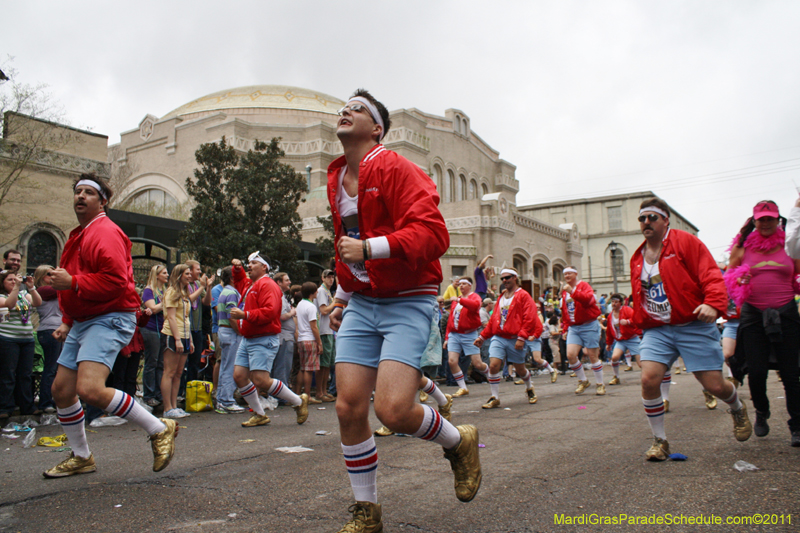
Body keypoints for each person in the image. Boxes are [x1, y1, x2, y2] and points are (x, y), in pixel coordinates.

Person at [326, 89, 480, 531]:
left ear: (376, 128)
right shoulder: (338, 177)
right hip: (362, 304)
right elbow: (345, 249)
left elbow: (434, 234)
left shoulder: (395, 167)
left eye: (357, 109)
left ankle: (458, 441)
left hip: (408, 300)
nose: (345, 111)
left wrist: (370, 249)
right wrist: (342, 296)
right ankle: (367, 511)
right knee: (348, 408)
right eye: (344, 107)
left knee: (393, 412)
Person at [44, 174, 176, 477]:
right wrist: (66, 320)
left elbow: (117, 282)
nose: (81, 196)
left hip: (110, 316)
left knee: (89, 389)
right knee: (62, 391)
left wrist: (74, 282)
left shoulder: (105, 231)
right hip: (85, 320)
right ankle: (81, 456)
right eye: (77, 191)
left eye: (89, 192)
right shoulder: (79, 234)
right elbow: (75, 285)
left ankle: (159, 428)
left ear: (103, 201)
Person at [631, 197, 751, 461]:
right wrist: (638, 320)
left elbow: (710, 274)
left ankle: (737, 407)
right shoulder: (637, 257)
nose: (646, 222)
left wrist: (712, 303)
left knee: (715, 385)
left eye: (652, 217)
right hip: (658, 329)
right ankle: (660, 441)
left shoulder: (686, 242)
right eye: (642, 218)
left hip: (693, 325)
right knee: (648, 379)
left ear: (665, 220)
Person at [725, 199, 800, 446]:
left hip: (786, 313)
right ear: (754, 220)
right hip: (754, 314)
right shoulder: (743, 247)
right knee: (756, 371)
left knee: (791, 374)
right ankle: (761, 411)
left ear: (778, 220)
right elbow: (728, 278)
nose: (766, 222)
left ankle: (797, 425)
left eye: (770, 218)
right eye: (761, 218)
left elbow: (798, 273)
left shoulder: (790, 246)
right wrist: (740, 280)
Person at [229, 252, 309, 428]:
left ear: (264, 267)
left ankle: (297, 401)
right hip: (249, 338)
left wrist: (245, 314)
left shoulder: (268, 285)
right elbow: (241, 280)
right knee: (239, 376)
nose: (249, 266)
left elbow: (271, 312)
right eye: (248, 263)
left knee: (261, 380)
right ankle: (259, 414)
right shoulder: (253, 283)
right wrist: (237, 269)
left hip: (263, 338)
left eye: (253, 263)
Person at [474, 268, 537, 407]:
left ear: (515, 278)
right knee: (494, 365)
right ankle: (494, 397)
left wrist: (521, 337)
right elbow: (493, 321)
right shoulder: (502, 297)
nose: (504, 280)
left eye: (507, 277)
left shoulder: (523, 295)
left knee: (520, 369)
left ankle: (529, 387)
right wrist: (482, 337)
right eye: (502, 278)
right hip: (499, 337)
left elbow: (530, 317)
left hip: (515, 338)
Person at [0, 269, 42, 419]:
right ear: (2, 283)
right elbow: (9, 304)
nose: (13, 282)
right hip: (8, 339)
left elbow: (38, 302)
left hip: (27, 339)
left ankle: (27, 406)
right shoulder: (2, 296)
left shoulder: (24, 295)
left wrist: (30, 287)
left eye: (15, 279)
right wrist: (17, 287)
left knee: (25, 375)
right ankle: (5, 407)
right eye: (9, 280)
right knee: (8, 374)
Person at [560, 266, 605, 395]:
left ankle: (600, 384)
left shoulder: (584, 285)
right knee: (571, 355)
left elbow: (589, 301)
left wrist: (573, 292)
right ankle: (583, 380)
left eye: (569, 273)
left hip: (589, 325)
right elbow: (565, 311)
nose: (567, 276)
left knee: (592, 356)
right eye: (565, 274)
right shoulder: (564, 292)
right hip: (574, 327)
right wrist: (565, 328)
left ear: (576, 274)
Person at [445, 277, 489, 398]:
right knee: (452, 361)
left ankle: (491, 374)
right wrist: (447, 337)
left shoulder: (474, 296)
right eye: (460, 284)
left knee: (477, 364)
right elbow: (451, 319)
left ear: (470, 286)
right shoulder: (456, 301)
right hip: (455, 334)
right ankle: (463, 387)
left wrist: (460, 300)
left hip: (469, 334)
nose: (461, 286)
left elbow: (475, 306)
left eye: (464, 284)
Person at [160, 264, 194, 419]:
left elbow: (186, 318)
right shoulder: (172, 292)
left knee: (179, 373)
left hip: (185, 335)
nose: (189, 276)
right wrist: (177, 339)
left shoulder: (185, 292)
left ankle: (174, 405)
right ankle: (167, 407)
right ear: (179, 275)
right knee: (170, 372)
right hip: (173, 335)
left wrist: (190, 340)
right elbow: (172, 317)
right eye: (186, 273)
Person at [214, 266, 244, 414]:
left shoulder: (224, 291)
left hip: (223, 331)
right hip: (231, 332)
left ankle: (221, 399)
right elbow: (232, 315)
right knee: (230, 367)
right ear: (232, 278)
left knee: (225, 366)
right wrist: (240, 331)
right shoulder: (232, 293)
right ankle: (227, 400)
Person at [33, 265, 62, 414]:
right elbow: (63, 288)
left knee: (58, 368)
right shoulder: (42, 290)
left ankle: (56, 399)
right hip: (49, 330)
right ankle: (45, 402)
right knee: (51, 368)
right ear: (41, 276)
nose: (53, 277)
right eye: (49, 274)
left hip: (58, 329)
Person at [141, 265, 168, 408]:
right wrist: (165, 303)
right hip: (151, 329)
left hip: (162, 329)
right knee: (151, 362)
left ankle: (158, 393)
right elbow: (152, 308)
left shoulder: (164, 290)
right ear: (156, 275)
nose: (167, 275)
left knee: (160, 363)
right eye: (164, 273)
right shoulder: (148, 291)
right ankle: (148, 395)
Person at [605, 293, 642, 387]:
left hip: (632, 338)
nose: (614, 304)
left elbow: (636, 319)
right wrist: (609, 343)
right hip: (620, 340)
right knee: (614, 357)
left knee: (641, 363)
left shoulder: (627, 310)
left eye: (616, 302)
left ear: (620, 303)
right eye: (612, 302)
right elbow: (609, 330)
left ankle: (649, 376)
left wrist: (628, 322)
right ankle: (616, 377)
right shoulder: (610, 316)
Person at [296, 281, 323, 403]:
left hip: (301, 338)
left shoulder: (300, 304)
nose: (317, 292)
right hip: (310, 338)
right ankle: (307, 396)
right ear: (312, 292)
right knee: (309, 369)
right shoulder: (311, 306)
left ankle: (297, 394)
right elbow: (314, 327)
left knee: (302, 368)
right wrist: (319, 342)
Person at [272, 271, 296, 401]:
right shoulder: (279, 297)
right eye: (286, 280)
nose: (289, 282)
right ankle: (281, 396)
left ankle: (280, 395)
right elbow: (280, 316)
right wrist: (292, 312)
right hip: (284, 337)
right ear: (279, 282)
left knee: (285, 367)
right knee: (282, 367)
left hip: (287, 336)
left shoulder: (282, 296)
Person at [315, 269, 337, 402]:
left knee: (328, 364)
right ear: (322, 278)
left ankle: (324, 390)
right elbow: (323, 310)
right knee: (323, 364)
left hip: (329, 330)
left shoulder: (327, 291)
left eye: (332, 277)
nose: (331, 279)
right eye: (328, 277)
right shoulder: (322, 291)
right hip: (323, 330)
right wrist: (335, 302)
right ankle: (319, 392)